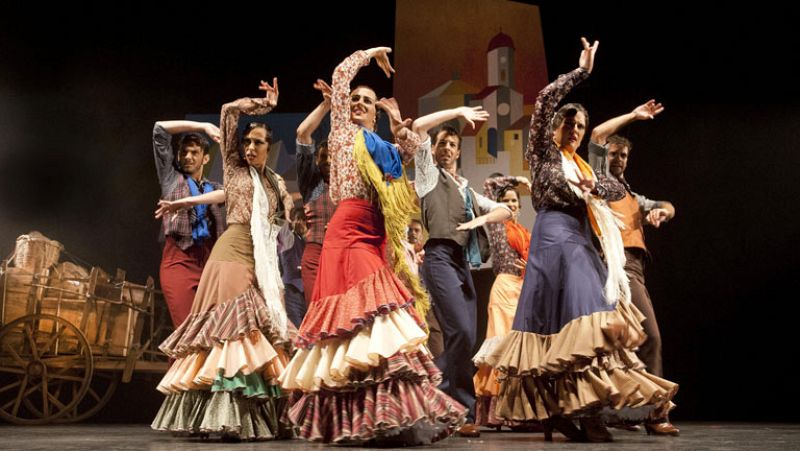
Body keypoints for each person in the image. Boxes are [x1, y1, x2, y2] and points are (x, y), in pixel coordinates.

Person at [483, 38, 678, 442]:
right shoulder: (543, 153)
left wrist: (604, 190)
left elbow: (613, 189)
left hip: (579, 241)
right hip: (553, 240)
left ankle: (577, 409)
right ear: (555, 128)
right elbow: (543, 99)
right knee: (566, 322)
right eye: (569, 124)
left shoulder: (584, 167)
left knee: (580, 329)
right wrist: (582, 72)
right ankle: (572, 412)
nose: (574, 130)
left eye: (580, 127)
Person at [279, 47, 465, 445]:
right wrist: (369, 53)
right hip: (346, 233)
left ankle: (378, 416)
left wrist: (400, 129)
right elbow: (340, 74)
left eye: (367, 101)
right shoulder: (343, 135)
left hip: (375, 234)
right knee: (362, 316)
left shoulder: (384, 148)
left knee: (376, 320)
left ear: (375, 114)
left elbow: (408, 156)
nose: (359, 103)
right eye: (355, 100)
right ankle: (351, 418)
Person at [152, 79, 295, 441]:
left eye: (258, 142)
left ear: (269, 148)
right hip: (230, 255)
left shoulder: (275, 182)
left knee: (262, 333)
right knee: (233, 333)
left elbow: (278, 222)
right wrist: (262, 106)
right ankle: (222, 417)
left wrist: (294, 215)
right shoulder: (234, 168)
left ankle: (258, 416)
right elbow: (229, 112)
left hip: (261, 262)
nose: (250, 147)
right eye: (247, 142)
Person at [411, 106, 512, 438]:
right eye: (442, 143)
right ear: (434, 149)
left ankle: (431, 391)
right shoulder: (428, 176)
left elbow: (504, 210)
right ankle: (458, 406)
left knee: (466, 337)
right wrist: (456, 111)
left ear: (458, 152)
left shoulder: (466, 189)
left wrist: (478, 220)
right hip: (438, 256)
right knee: (460, 333)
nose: (447, 148)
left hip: (461, 263)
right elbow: (419, 125)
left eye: (452, 145)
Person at [588, 99, 679, 436]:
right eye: (613, 154)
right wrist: (633, 116)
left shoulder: (632, 196)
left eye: (623, 155)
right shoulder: (601, 182)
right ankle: (654, 414)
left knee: (626, 344)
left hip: (636, 268)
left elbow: (667, 205)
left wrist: (662, 213)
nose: (618, 159)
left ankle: (624, 413)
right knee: (646, 337)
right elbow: (597, 134)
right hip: (617, 266)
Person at [471, 174, 532, 430]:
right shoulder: (498, 226)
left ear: (520, 205)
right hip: (504, 289)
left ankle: (514, 410)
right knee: (499, 349)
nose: (511, 204)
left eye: (514, 201)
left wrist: (530, 267)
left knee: (518, 351)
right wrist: (517, 179)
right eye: (506, 201)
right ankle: (493, 411)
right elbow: (487, 184)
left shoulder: (525, 233)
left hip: (522, 291)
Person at [152, 120, 225, 328]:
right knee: (188, 330)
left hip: (209, 264)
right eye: (183, 152)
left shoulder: (214, 188)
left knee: (211, 331)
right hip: (178, 261)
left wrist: (188, 202)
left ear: (206, 158)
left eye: (194, 152)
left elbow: (230, 192)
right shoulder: (171, 179)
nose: (187, 157)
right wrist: (202, 126)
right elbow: (159, 129)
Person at [296, 79, 336, 305]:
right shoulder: (312, 183)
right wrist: (326, 105)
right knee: (318, 311)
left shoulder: (349, 187)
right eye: (323, 157)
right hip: (316, 256)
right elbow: (303, 133)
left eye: (332, 156)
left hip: (343, 256)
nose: (328, 160)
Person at [278, 207, 308, 328]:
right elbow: (283, 226)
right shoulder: (288, 238)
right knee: (297, 329)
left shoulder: (304, 240)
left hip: (305, 293)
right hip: (291, 291)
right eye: (299, 220)